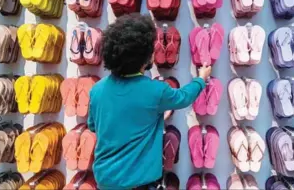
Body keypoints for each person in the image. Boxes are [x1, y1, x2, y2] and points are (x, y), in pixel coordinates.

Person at [88, 14, 212, 189]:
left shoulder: (96, 90)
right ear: (145, 57)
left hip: (105, 180)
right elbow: (183, 97)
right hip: (139, 182)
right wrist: (201, 79)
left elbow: (93, 126)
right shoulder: (155, 91)